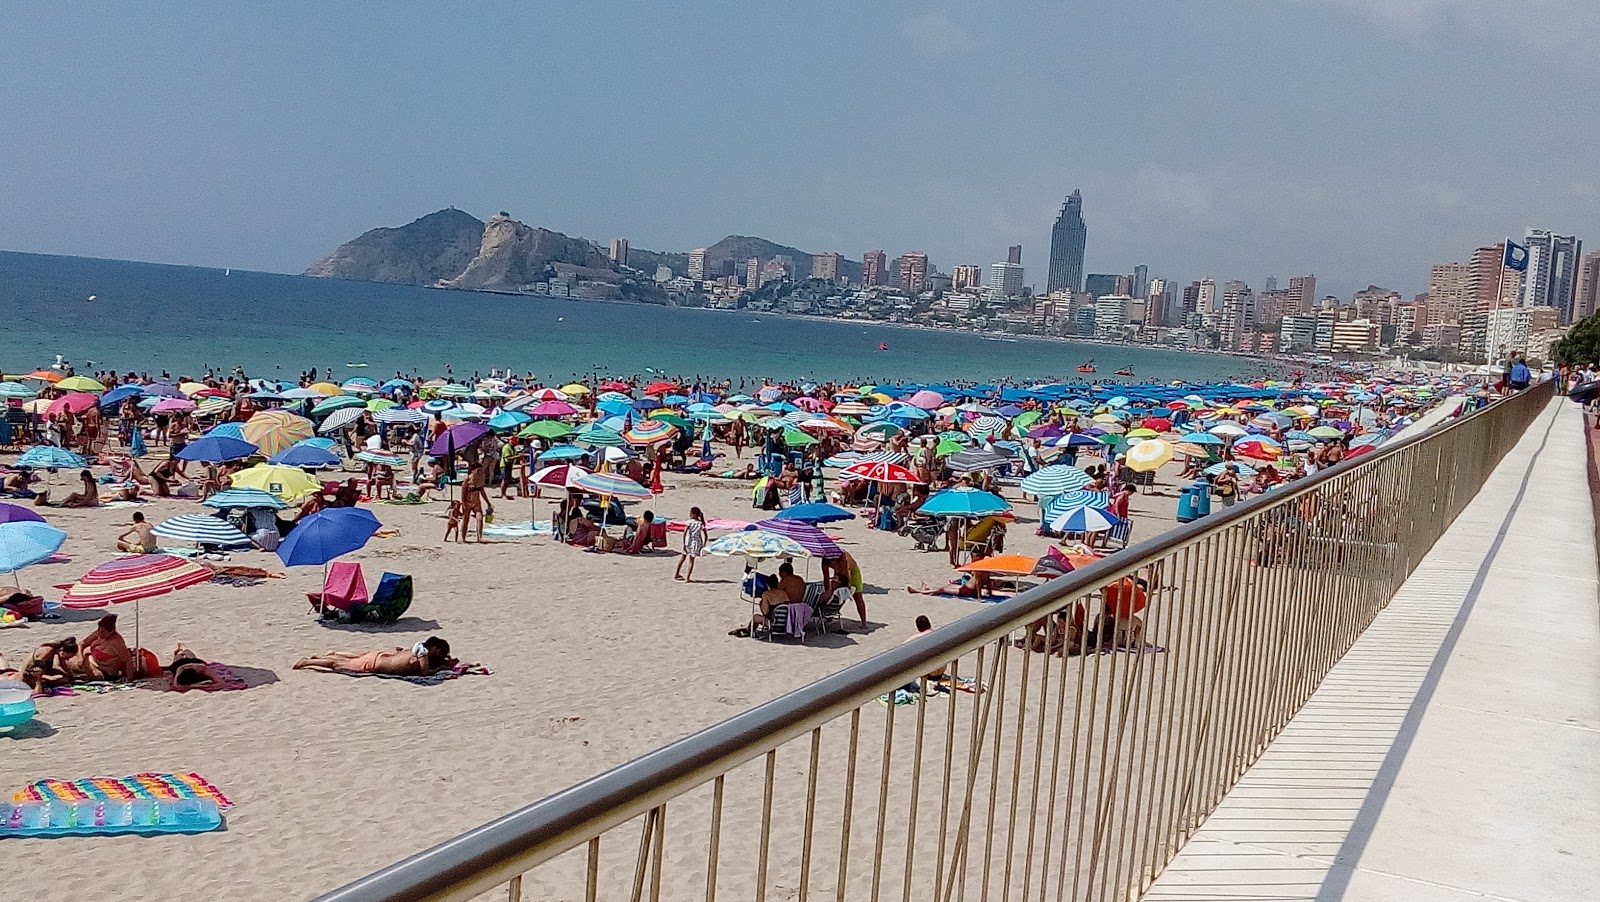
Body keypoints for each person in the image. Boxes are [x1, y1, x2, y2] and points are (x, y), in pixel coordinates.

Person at [292, 638, 452, 676]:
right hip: (376, 663)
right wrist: (439, 668)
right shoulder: (422, 653)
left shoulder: (416, 647)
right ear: (434, 647)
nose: (438, 655)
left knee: (345, 660)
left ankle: (315, 658)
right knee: (338, 664)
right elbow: (424, 672)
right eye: (439, 651)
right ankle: (307, 662)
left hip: (379, 658)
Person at [79, 613, 137, 680]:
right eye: (99, 630)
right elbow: (82, 643)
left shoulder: (117, 642)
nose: (100, 633)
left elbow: (128, 660)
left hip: (107, 671)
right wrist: (80, 657)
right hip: (94, 662)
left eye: (103, 632)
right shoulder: (99, 634)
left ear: (111, 631)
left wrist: (130, 679)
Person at [826, 550, 867, 628]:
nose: (833, 566)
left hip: (852, 572)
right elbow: (826, 578)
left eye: (834, 564)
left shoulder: (843, 557)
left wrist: (846, 587)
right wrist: (828, 590)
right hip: (840, 573)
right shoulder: (825, 561)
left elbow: (847, 577)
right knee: (833, 593)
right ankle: (829, 614)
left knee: (857, 596)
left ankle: (863, 622)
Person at [906, 570, 994, 599]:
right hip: (967, 588)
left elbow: (978, 584)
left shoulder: (979, 572)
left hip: (967, 591)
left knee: (942, 589)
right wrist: (990, 594)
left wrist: (979, 597)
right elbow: (988, 583)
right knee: (946, 586)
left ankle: (918, 591)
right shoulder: (986, 573)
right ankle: (928, 589)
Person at [674, 506, 706, 582]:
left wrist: (684, 543)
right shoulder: (700, 523)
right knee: (691, 561)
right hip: (696, 543)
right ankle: (687, 578)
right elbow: (705, 535)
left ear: (693, 514)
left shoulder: (689, 522)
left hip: (688, 542)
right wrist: (703, 544)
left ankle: (676, 573)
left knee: (683, 558)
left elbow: (685, 532)